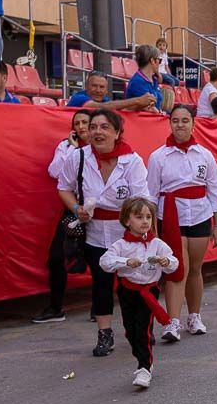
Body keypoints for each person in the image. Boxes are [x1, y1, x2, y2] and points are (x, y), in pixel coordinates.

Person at [56, 109, 149, 357]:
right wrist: (77, 208)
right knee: (101, 283)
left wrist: (141, 229)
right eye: (94, 127)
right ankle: (105, 334)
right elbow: (64, 188)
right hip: (95, 234)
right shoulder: (78, 158)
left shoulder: (132, 161)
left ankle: (140, 328)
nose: (97, 132)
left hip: (126, 233)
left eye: (105, 127)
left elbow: (142, 200)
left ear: (117, 133)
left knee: (133, 283)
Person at [147, 104, 217, 343]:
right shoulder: (158, 156)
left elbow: (215, 188)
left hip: (200, 216)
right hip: (171, 217)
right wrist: (152, 228)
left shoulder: (205, 155)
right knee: (176, 269)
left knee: (195, 270)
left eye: (185, 120)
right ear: (169, 123)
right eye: (175, 120)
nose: (180, 125)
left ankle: (194, 316)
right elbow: (150, 194)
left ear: (193, 123)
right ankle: (173, 322)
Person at [98, 197, 178, 389]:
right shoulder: (121, 245)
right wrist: (126, 262)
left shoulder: (157, 244)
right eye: (139, 217)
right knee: (130, 331)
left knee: (142, 330)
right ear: (127, 220)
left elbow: (173, 263)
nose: (145, 221)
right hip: (127, 291)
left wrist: (166, 262)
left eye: (148, 217)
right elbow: (105, 262)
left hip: (148, 291)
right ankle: (143, 357)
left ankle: (144, 368)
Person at [35, 110, 92, 324]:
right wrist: (73, 149)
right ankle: (55, 307)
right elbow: (54, 171)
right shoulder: (65, 146)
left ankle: (99, 306)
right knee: (57, 256)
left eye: (85, 122)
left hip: (96, 209)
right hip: (72, 207)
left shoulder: (99, 146)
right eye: (77, 123)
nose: (81, 126)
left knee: (95, 257)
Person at [66, 71, 155, 111]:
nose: (98, 90)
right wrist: (138, 100)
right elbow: (101, 107)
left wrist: (141, 106)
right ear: (86, 86)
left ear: (106, 90)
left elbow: (123, 110)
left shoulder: (106, 100)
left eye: (102, 87)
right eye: (94, 86)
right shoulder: (78, 98)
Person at [125, 44, 165, 111]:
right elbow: (150, 108)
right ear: (152, 60)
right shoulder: (138, 82)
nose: (159, 63)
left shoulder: (154, 79)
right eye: (159, 60)